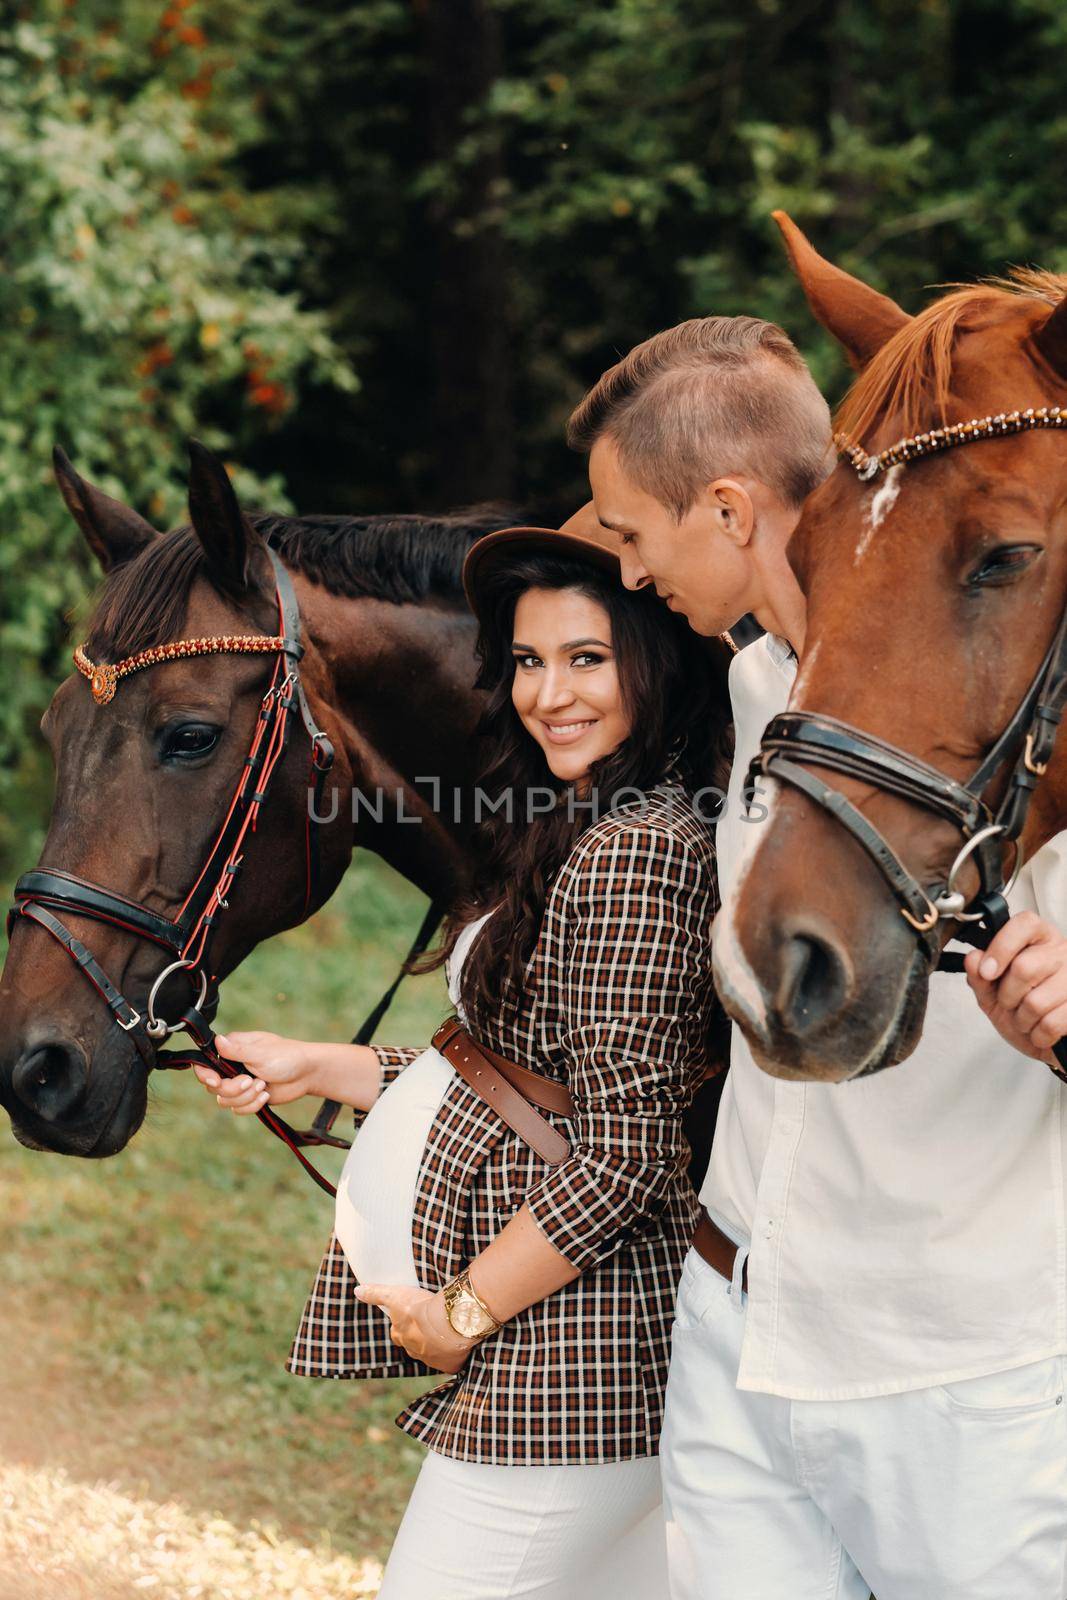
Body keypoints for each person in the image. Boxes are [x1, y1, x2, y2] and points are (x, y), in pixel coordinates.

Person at [568, 314, 1067, 1600]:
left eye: (631, 537)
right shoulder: (752, 697)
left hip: (960, 1378)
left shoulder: (1012, 702)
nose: (623, 574)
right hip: (738, 1324)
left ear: (728, 511)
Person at [194, 525, 726, 1599]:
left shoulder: (635, 851)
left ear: (654, 664)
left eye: (586, 658)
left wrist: (460, 1312)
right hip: (573, 1360)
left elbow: (620, 1156)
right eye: (528, 662)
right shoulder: (586, 822)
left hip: (574, 1361)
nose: (548, 693)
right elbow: (519, 1078)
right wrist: (314, 1063)